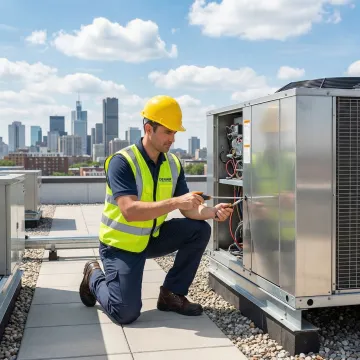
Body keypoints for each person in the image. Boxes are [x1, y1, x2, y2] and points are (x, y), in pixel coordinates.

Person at [79, 95, 233, 325]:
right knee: (126, 313)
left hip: (153, 236)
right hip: (120, 246)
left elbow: (189, 208)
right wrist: (175, 202)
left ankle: (171, 294)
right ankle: (93, 276)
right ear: (149, 128)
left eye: (174, 133)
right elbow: (129, 210)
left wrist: (212, 212)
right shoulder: (122, 162)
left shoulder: (173, 163)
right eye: (167, 132)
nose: (172, 139)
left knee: (198, 230)